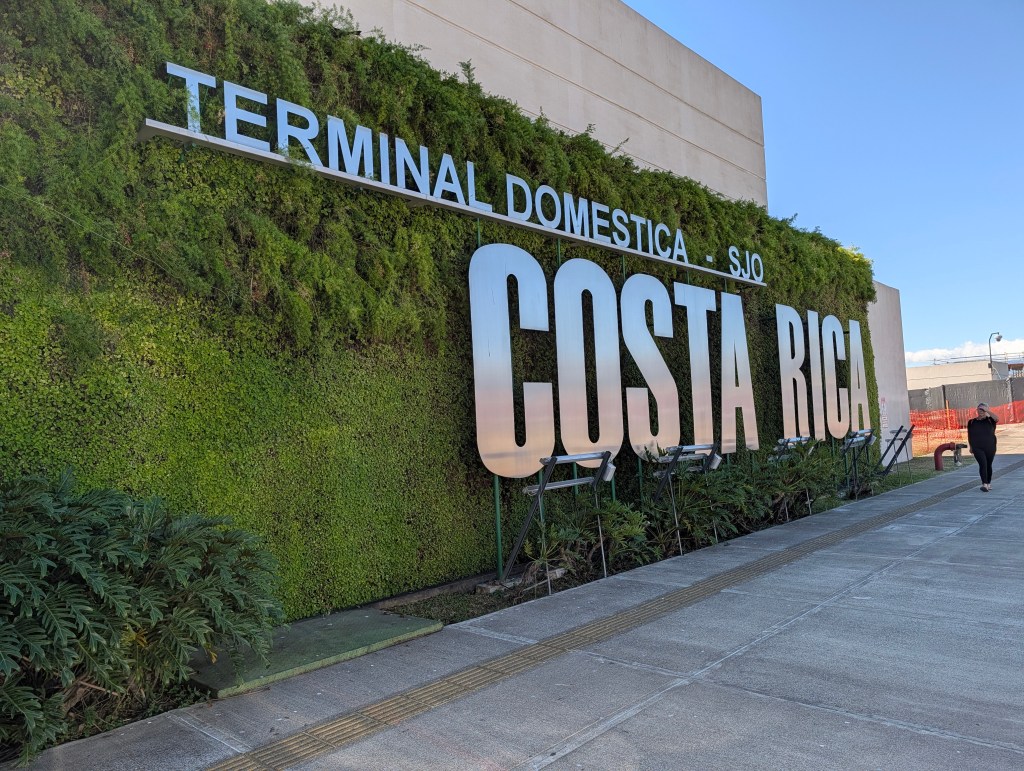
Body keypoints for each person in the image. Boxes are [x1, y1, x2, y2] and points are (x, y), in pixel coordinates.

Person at [967, 402, 999, 491]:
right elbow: (969, 435)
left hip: (990, 447)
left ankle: (988, 483)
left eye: (983, 409)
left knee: (988, 465)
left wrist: (987, 411)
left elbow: (997, 418)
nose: (981, 411)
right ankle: (984, 484)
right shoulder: (972, 422)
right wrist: (971, 447)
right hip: (977, 447)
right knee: (983, 464)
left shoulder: (990, 420)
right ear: (977, 410)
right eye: (979, 409)